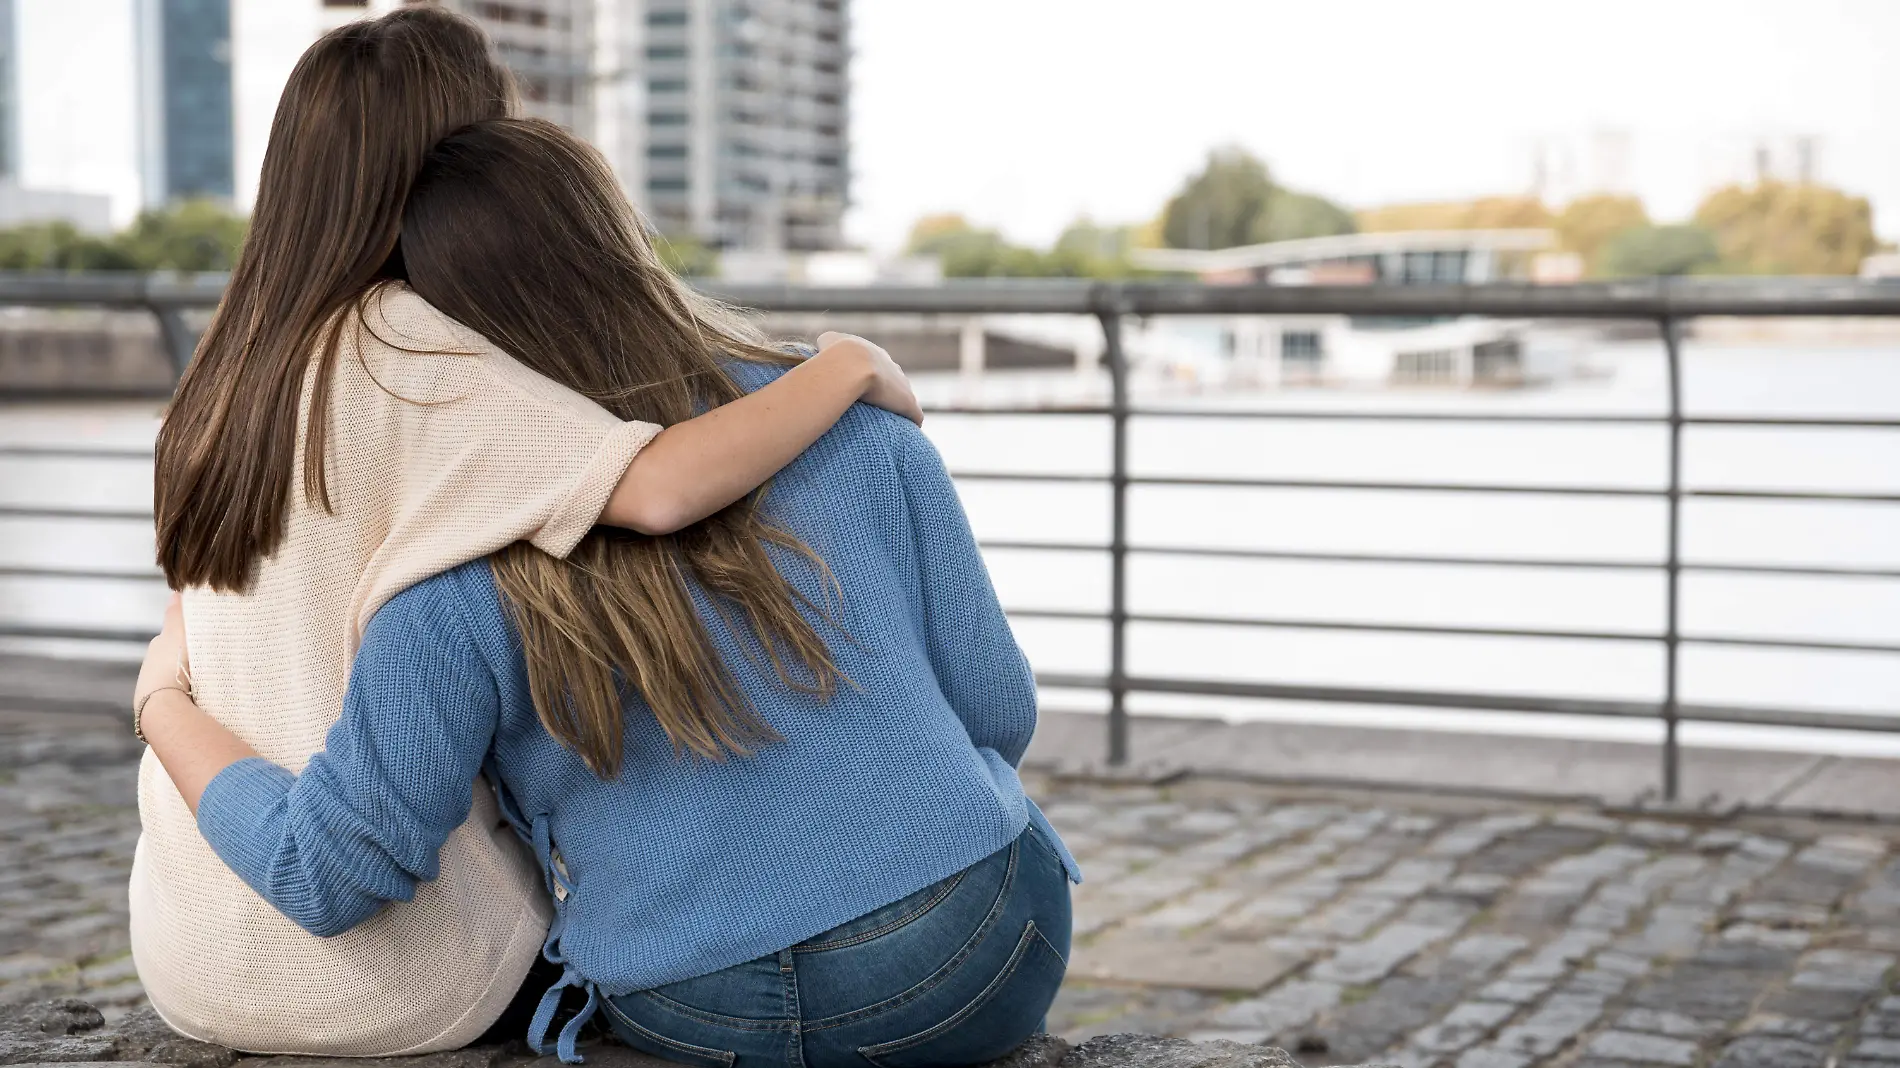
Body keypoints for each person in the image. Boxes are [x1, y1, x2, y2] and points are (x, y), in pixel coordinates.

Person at [135, 117, 1079, 1068]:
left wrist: (163, 702)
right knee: (998, 811)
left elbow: (327, 870)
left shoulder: (454, 557)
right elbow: (998, 713)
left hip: (698, 1001)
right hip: (975, 959)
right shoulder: (855, 424)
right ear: (620, 240)